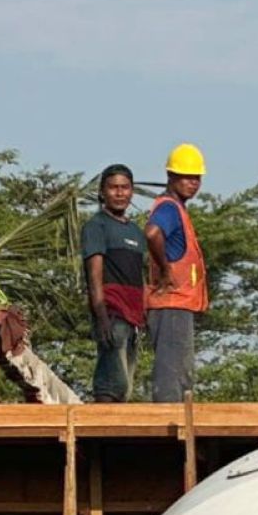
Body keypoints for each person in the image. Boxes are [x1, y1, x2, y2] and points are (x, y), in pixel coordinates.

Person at [145, 143, 209, 402]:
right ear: (171, 177)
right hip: (171, 303)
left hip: (178, 304)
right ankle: (169, 427)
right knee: (172, 375)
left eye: (196, 178)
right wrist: (165, 269)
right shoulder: (169, 208)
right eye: (186, 177)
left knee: (181, 373)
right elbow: (152, 232)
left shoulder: (178, 210)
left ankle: (177, 418)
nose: (192, 183)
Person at [80, 164, 146, 402]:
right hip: (112, 311)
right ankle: (102, 431)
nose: (120, 193)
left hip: (134, 315)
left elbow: (140, 276)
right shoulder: (96, 226)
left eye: (125, 188)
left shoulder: (137, 232)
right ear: (102, 192)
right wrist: (101, 315)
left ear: (132, 192)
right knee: (111, 380)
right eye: (113, 188)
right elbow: (94, 273)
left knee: (126, 382)